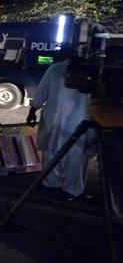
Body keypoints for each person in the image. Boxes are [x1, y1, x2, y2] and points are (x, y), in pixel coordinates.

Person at [26, 58, 92, 199]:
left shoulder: (55, 68)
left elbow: (41, 93)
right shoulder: (57, 69)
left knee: (57, 152)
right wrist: (33, 110)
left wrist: (33, 110)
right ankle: (69, 188)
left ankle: (53, 184)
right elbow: (43, 91)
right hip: (76, 121)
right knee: (73, 155)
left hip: (61, 119)